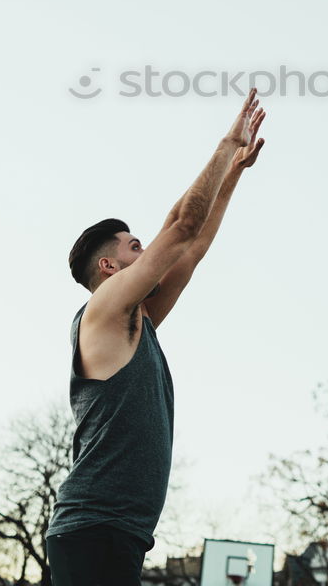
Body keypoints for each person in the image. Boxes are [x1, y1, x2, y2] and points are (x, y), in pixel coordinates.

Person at [46, 89, 266, 586]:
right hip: (91, 530)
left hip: (120, 531)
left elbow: (194, 243)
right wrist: (228, 143)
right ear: (109, 265)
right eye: (135, 246)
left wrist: (232, 177)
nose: (148, 249)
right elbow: (182, 224)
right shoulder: (103, 312)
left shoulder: (138, 321)